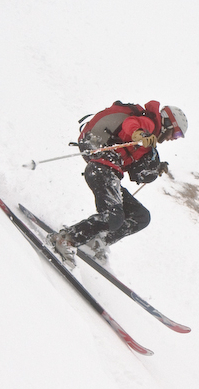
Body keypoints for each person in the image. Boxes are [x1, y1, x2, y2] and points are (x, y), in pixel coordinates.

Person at [49, 100, 187, 265]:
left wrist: (154, 167)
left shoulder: (148, 142)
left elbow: (138, 172)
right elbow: (131, 124)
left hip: (109, 174)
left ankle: (96, 242)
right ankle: (66, 239)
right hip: (102, 169)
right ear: (167, 124)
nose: (173, 139)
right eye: (176, 134)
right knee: (113, 216)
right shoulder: (148, 123)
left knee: (141, 216)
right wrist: (139, 133)